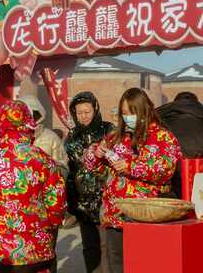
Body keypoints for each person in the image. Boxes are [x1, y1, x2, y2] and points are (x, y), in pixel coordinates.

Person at [0, 100, 66, 273]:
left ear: (1, 125)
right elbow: (56, 203)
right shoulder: (43, 160)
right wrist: (47, 224)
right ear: (27, 125)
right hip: (34, 248)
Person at [84, 88, 182, 273]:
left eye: (131, 113)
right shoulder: (116, 136)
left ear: (143, 110)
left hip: (146, 215)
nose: (127, 117)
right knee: (116, 265)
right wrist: (95, 153)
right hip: (115, 213)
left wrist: (131, 166)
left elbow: (166, 167)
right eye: (124, 113)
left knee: (144, 265)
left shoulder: (162, 137)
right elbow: (93, 167)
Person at [65, 92, 114, 273]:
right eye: (79, 113)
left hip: (106, 199)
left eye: (87, 112)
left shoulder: (109, 130)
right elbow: (71, 170)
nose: (83, 116)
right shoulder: (72, 137)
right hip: (83, 201)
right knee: (90, 248)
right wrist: (70, 200)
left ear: (95, 110)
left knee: (107, 247)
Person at [19, 95, 69, 178]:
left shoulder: (51, 138)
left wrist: (48, 170)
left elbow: (64, 168)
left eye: (31, 115)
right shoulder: (11, 139)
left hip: (46, 186)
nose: (28, 119)